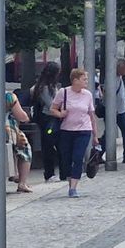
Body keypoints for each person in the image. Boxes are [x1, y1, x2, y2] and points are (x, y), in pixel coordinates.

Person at [50, 69, 100, 198]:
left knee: (78, 158)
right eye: (84, 79)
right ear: (75, 80)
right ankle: (69, 179)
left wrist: (95, 135)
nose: (86, 82)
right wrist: (60, 114)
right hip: (66, 130)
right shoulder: (64, 92)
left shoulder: (88, 95)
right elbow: (53, 109)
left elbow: (91, 115)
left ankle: (73, 188)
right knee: (66, 159)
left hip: (83, 130)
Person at [31, 63, 63, 182]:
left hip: (51, 118)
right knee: (49, 146)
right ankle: (49, 173)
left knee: (53, 145)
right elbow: (51, 105)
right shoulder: (44, 87)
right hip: (48, 118)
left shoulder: (49, 86)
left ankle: (56, 172)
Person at [4, 90, 33, 192]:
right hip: (5, 129)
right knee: (24, 149)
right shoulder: (8, 96)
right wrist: (27, 117)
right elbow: (21, 116)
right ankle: (22, 183)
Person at [111, 58, 125, 164]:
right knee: (109, 134)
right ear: (119, 67)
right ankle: (99, 152)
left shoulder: (119, 78)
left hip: (121, 110)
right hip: (113, 110)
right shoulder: (111, 78)